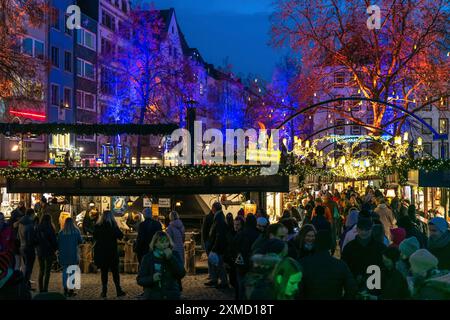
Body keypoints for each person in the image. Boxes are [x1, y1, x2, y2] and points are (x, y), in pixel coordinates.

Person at [299, 230, 357, 300]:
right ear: (330, 246)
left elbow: (298, 289)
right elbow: (351, 288)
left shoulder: (303, 263)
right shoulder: (341, 265)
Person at [136, 231, 186, 300]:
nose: (165, 244)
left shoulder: (174, 255)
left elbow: (181, 273)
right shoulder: (148, 258)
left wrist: (171, 258)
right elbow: (140, 279)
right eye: (162, 242)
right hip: (153, 295)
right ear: (155, 243)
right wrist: (152, 278)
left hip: (171, 295)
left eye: (167, 242)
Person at [341, 217, 386, 292]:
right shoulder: (349, 247)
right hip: (354, 287)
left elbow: (384, 268)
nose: (364, 232)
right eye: (361, 229)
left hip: (375, 287)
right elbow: (344, 267)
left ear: (371, 230)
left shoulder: (380, 248)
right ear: (357, 230)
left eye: (366, 230)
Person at [93, 211, 126, 298]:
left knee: (104, 272)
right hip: (112, 252)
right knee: (115, 272)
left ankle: (104, 291)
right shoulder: (113, 226)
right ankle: (118, 290)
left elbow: (94, 237)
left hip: (102, 252)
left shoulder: (98, 226)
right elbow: (121, 236)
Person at [233, 214, 260, 299]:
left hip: (242, 263)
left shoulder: (241, 233)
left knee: (241, 285)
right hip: (254, 263)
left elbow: (233, 247)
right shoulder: (258, 234)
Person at [205, 202, 228, 288]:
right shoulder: (220, 217)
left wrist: (214, 247)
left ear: (214, 208)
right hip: (217, 245)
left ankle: (223, 282)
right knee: (217, 264)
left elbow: (219, 235)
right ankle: (215, 280)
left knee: (219, 265)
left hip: (218, 247)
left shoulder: (219, 218)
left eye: (212, 208)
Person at [57, 218, 83, 297]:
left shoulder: (61, 232)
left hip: (63, 254)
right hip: (73, 254)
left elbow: (58, 243)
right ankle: (71, 290)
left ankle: (65, 289)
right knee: (72, 272)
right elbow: (80, 241)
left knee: (65, 272)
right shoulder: (76, 231)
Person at [14, 208, 36, 290]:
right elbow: (29, 238)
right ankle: (25, 285)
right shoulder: (29, 224)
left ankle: (26, 284)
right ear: (31, 214)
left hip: (22, 246)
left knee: (26, 266)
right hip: (28, 247)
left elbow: (19, 236)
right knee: (28, 267)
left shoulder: (21, 222)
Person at [35, 214, 57, 293]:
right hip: (49, 252)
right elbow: (54, 241)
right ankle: (45, 288)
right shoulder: (50, 228)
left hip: (40, 251)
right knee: (47, 271)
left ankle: (40, 288)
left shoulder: (38, 228)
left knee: (41, 270)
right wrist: (55, 248)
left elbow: (35, 240)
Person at [201, 210, 215, 281]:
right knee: (211, 258)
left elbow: (204, 230)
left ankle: (211, 275)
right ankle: (212, 275)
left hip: (209, 241)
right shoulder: (213, 217)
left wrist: (205, 240)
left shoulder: (208, 217)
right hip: (211, 241)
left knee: (210, 258)